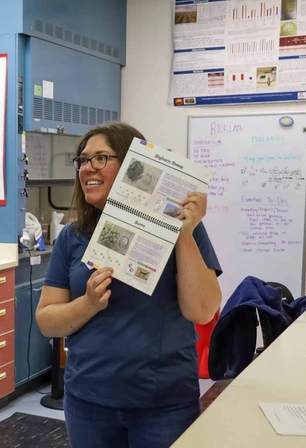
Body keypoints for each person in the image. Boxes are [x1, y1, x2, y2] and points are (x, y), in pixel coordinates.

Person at [35, 122, 222, 448]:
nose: (87, 167)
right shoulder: (72, 236)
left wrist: (185, 234)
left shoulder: (180, 228)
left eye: (100, 158)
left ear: (135, 166)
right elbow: (47, 320)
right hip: (89, 401)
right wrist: (88, 303)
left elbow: (203, 311)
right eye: (82, 160)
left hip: (164, 403)